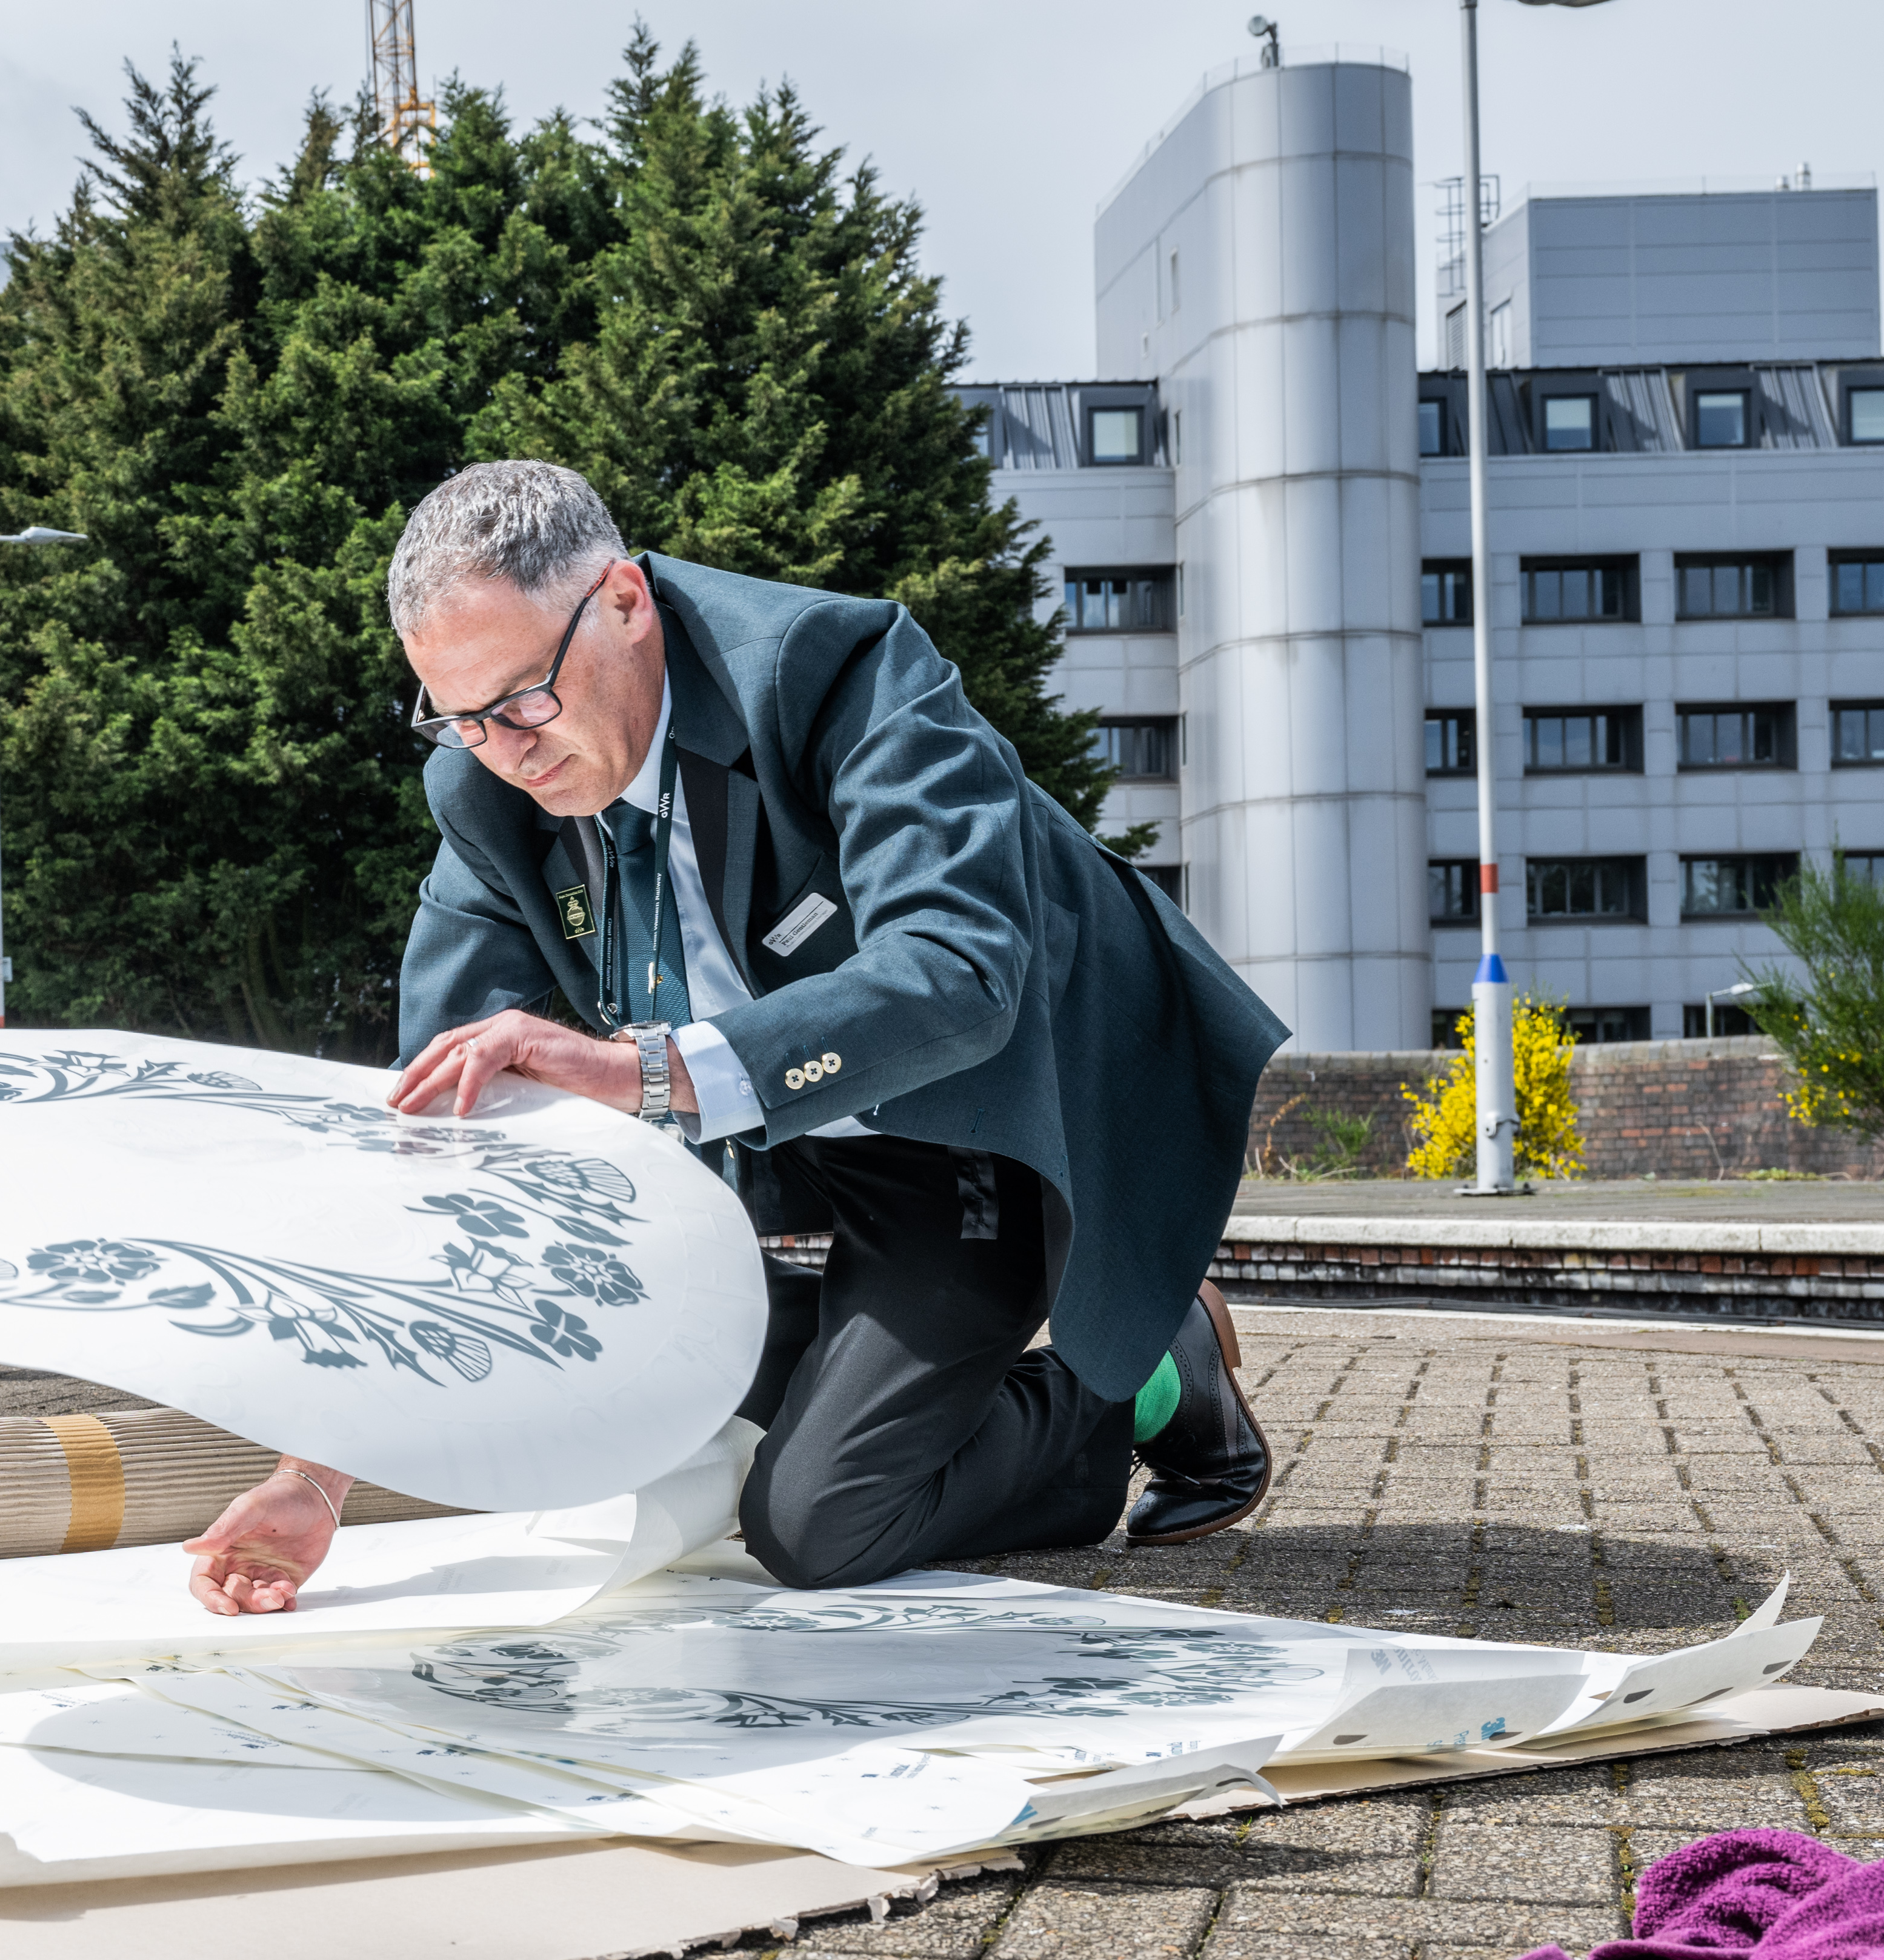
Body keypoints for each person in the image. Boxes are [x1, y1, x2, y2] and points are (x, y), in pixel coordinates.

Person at [184, 458, 1288, 1615]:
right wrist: (315, 1472)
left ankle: (1137, 1388)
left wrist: (637, 1071)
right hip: (772, 1132)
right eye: (458, 718)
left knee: (815, 1524)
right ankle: (915, 1373)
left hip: (981, 1111)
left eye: (520, 700)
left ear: (623, 602)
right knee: (605, 1362)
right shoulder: (482, 795)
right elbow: (442, 1138)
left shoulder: (843, 671)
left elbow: (959, 976)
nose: (503, 749)